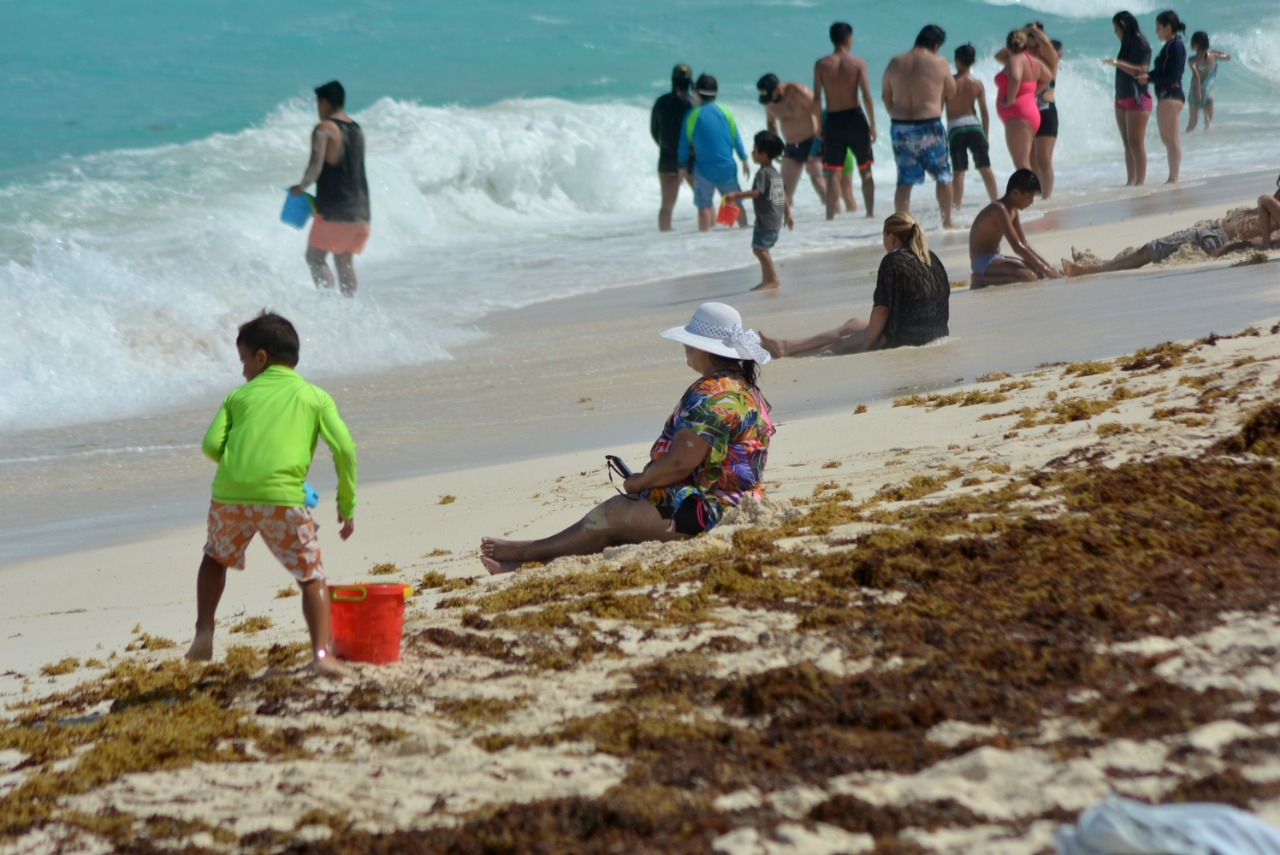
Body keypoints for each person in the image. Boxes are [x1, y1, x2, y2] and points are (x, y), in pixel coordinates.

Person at [480, 303, 774, 574]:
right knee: (625, 517)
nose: (685, 347)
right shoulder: (744, 388)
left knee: (614, 513)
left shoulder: (714, 395)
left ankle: (526, 551)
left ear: (706, 350)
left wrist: (638, 482)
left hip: (709, 511)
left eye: (690, 342)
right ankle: (527, 564)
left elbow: (679, 464)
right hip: (740, 501)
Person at [185, 312, 358, 677]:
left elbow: (211, 445)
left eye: (244, 361)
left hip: (229, 495)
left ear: (261, 358)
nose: (243, 371)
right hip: (282, 497)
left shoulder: (238, 397)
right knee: (311, 575)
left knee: (215, 558)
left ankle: (204, 630)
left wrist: (240, 463)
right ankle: (322, 655)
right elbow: (344, 449)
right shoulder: (314, 396)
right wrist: (347, 504)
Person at [759, 213, 949, 357]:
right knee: (853, 324)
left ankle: (792, 355)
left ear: (891, 237)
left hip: (908, 337)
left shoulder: (893, 260)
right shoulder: (930, 257)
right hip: (936, 331)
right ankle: (786, 346)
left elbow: (881, 310)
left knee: (836, 346)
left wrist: (866, 341)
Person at [1061, 190, 1280, 276]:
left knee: (1148, 250)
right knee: (1147, 249)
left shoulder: (1274, 209)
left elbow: (1264, 200)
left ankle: (1089, 269)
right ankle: (1105, 263)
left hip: (1211, 238)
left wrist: (1265, 242)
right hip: (1211, 231)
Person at [290, 81, 370, 297]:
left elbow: (315, 167)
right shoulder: (357, 129)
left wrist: (300, 187)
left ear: (324, 102)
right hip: (361, 212)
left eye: (318, 104)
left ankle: (327, 308)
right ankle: (348, 309)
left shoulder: (325, 128)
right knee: (344, 261)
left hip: (335, 210)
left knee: (314, 258)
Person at [882, 25, 958, 228]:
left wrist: (898, 118)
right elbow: (951, 91)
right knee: (943, 176)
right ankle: (947, 221)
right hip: (929, 125)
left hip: (900, 126)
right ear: (936, 45)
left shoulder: (895, 62)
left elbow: (885, 96)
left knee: (905, 180)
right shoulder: (939, 62)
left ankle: (901, 226)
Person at [1109, 11, 1187, 184]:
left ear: (1168, 27)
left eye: (1158, 28)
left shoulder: (1174, 46)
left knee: (1170, 139)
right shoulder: (1170, 46)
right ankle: (1148, 179)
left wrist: (1149, 77)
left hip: (1169, 95)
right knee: (1166, 139)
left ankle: (1171, 177)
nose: (1156, 31)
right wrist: (1150, 77)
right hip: (1163, 95)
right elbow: (1161, 72)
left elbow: (1172, 74)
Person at [813, 22, 878, 220]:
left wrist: (818, 124)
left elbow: (817, 98)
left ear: (832, 39)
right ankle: (869, 214)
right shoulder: (857, 63)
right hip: (855, 118)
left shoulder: (821, 65)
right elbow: (867, 95)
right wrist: (873, 124)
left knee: (833, 172)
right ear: (849, 39)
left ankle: (830, 217)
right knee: (865, 169)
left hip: (833, 120)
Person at [723, 131, 794, 291]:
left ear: (764, 154)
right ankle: (767, 280)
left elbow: (756, 192)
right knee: (763, 249)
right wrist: (788, 214)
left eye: (755, 150)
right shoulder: (775, 173)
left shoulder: (763, 173)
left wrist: (735, 195)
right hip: (774, 219)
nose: (752, 153)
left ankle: (773, 279)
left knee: (759, 249)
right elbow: (783, 195)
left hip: (766, 219)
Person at [997, 24, 1062, 198]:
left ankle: (1046, 197)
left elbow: (1046, 44)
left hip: (1046, 109)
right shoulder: (1025, 60)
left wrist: (1034, 31)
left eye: (1036, 44)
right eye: (1030, 44)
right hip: (1031, 111)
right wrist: (1020, 39)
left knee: (1043, 160)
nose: (1034, 48)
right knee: (1031, 160)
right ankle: (1036, 194)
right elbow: (1000, 55)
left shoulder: (1048, 60)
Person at [679, 74, 751, 231]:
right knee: (734, 202)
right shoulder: (726, 112)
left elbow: (684, 143)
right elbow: (736, 138)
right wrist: (744, 158)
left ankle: (704, 240)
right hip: (727, 167)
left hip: (704, 169)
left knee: (704, 205)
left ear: (697, 93)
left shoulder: (692, 115)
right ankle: (745, 232)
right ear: (716, 93)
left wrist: (682, 165)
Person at [968, 169, 1063, 288]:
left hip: (996, 258)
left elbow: (1024, 243)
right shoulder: (999, 209)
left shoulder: (1014, 210)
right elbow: (1017, 247)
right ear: (1016, 193)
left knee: (1038, 272)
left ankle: (987, 278)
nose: (1031, 202)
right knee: (1030, 277)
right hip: (982, 261)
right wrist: (1047, 270)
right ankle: (981, 280)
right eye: (1029, 197)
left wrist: (1048, 267)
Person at [757, 73, 826, 208]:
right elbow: (771, 123)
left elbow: (819, 111)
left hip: (812, 142)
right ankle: (785, 225)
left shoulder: (799, 92)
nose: (769, 100)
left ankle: (835, 219)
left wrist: (822, 138)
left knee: (818, 180)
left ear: (777, 88)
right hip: (791, 146)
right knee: (781, 194)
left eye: (770, 96)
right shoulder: (768, 102)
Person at [1104, 12, 1153, 187]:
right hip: (1122, 96)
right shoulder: (1126, 43)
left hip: (1137, 97)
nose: (1116, 32)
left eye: (1117, 28)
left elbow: (1141, 70)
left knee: (1136, 143)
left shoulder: (1141, 44)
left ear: (1125, 26)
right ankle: (1130, 180)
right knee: (1127, 143)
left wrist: (1117, 63)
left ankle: (1140, 181)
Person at [946, 44, 998, 209]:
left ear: (958, 61)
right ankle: (996, 202)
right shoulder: (977, 84)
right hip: (975, 127)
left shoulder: (949, 83)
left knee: (959, 171)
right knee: (985, 168)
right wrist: (986, 136)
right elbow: (984, 114)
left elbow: (938, 108)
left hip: (956, 128)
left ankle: (956, 208)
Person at [994, 29, 1049, 171]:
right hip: (1030, 113)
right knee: (1024, 162)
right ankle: (1032, 191)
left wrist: (1011, 100)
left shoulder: (1015, 60)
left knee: (1021, 164)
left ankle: (1028, 192)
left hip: (1017, 115)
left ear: (1008, 44)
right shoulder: (1034, 61)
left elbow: (1015, 77)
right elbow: (1047, 78)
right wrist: (1031, 93)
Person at [652, 64, 697, 231]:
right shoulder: (693, 104)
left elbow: (654, 131)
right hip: (691, 160)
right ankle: (709, 240)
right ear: (690, 81)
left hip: (667, 159)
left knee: (666, 207)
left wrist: (666, 148)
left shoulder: (661, 102)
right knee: (704, 204)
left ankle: (664, 244)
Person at [1186, 31, 1230, 132]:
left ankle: (1186, 145)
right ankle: (1209, 145)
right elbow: (1228, 57)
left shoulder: (1192, 60)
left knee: (1192, 122)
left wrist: (1198, 94)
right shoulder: (1213, 56)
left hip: (1195, 92)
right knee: (1209, 122)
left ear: (1196, 44)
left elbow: (1197, 78)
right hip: (1208, 91)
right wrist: (1215, 52)